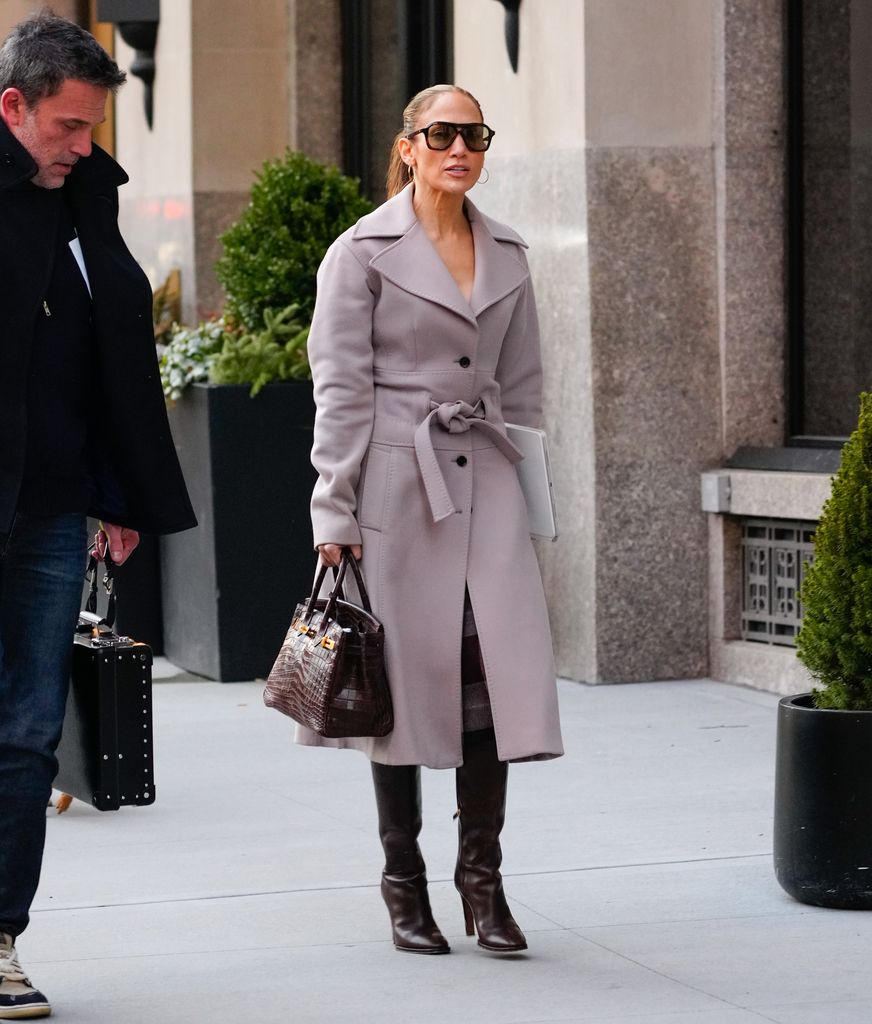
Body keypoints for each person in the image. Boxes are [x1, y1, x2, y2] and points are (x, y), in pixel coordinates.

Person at [299, 83, 563, 956]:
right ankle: (402, 881)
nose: (460, 147)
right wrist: (332, 508)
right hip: (395, 493)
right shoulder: (361, 253)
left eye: (474, 134)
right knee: (398, 690)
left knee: (494, 686)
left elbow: (521, 389)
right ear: (408, 145)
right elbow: (340, 392)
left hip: (485, 486)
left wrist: (532, 504)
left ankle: (482, 883)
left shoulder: (511, 251)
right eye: (441, 133)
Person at [0, 12, 195, 1017]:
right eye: (67, 127)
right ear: (13, 106)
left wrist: (118, 493)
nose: (83, 147)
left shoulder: (84, 201)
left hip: (47, 512)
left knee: (29, 732)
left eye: (92, 130)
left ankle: (1, 941)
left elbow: (111, 354)